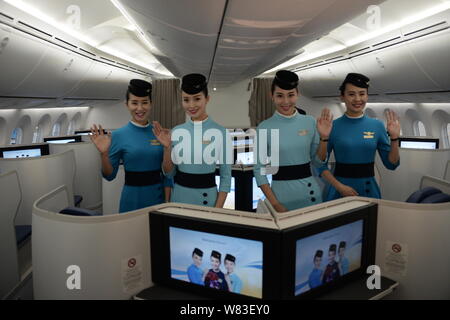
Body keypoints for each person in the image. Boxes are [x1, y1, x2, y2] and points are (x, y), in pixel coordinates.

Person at [253, 70, 333, 212]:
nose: (285, 101)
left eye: (291, 95)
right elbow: (260, 171)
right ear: (271, 96)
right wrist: (275, 204)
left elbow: (317, 162)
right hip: (281, 198)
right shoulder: (265, 127)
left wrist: (324, 137)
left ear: (298, 95)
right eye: (279, 96)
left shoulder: (309, 122)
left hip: (310, 194)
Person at [90, 79, 173, 213]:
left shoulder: (159, 133)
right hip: (132, 200)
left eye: (145, 102)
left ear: (151, 104)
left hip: (158, 199)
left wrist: (167, 148)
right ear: (127, 105)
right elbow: (109, 175)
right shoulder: (118, 135)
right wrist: (103, 154)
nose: (140, 108)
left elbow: (168, 173)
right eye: (134, 103)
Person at [317, 73, 400, 200]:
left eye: (362, 94)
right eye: (351, 94)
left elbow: (391, 164)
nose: (357, 99)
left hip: (368, 190)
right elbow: (320, 165)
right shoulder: (333, 126)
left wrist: (394, 138)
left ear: (367, 96)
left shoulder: (377, 125)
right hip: (339, 190)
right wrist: (339, 187)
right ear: (342, 97)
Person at [156, 73, 232, 208]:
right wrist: (167, 148)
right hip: (179, 199)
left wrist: (217, 210)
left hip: (208, 201)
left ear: (207, 99)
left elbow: (226, 178)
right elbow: (169, 173)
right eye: (186, 100)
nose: (191, 105)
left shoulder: (221, 132)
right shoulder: (176, 131)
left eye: (197, 99)